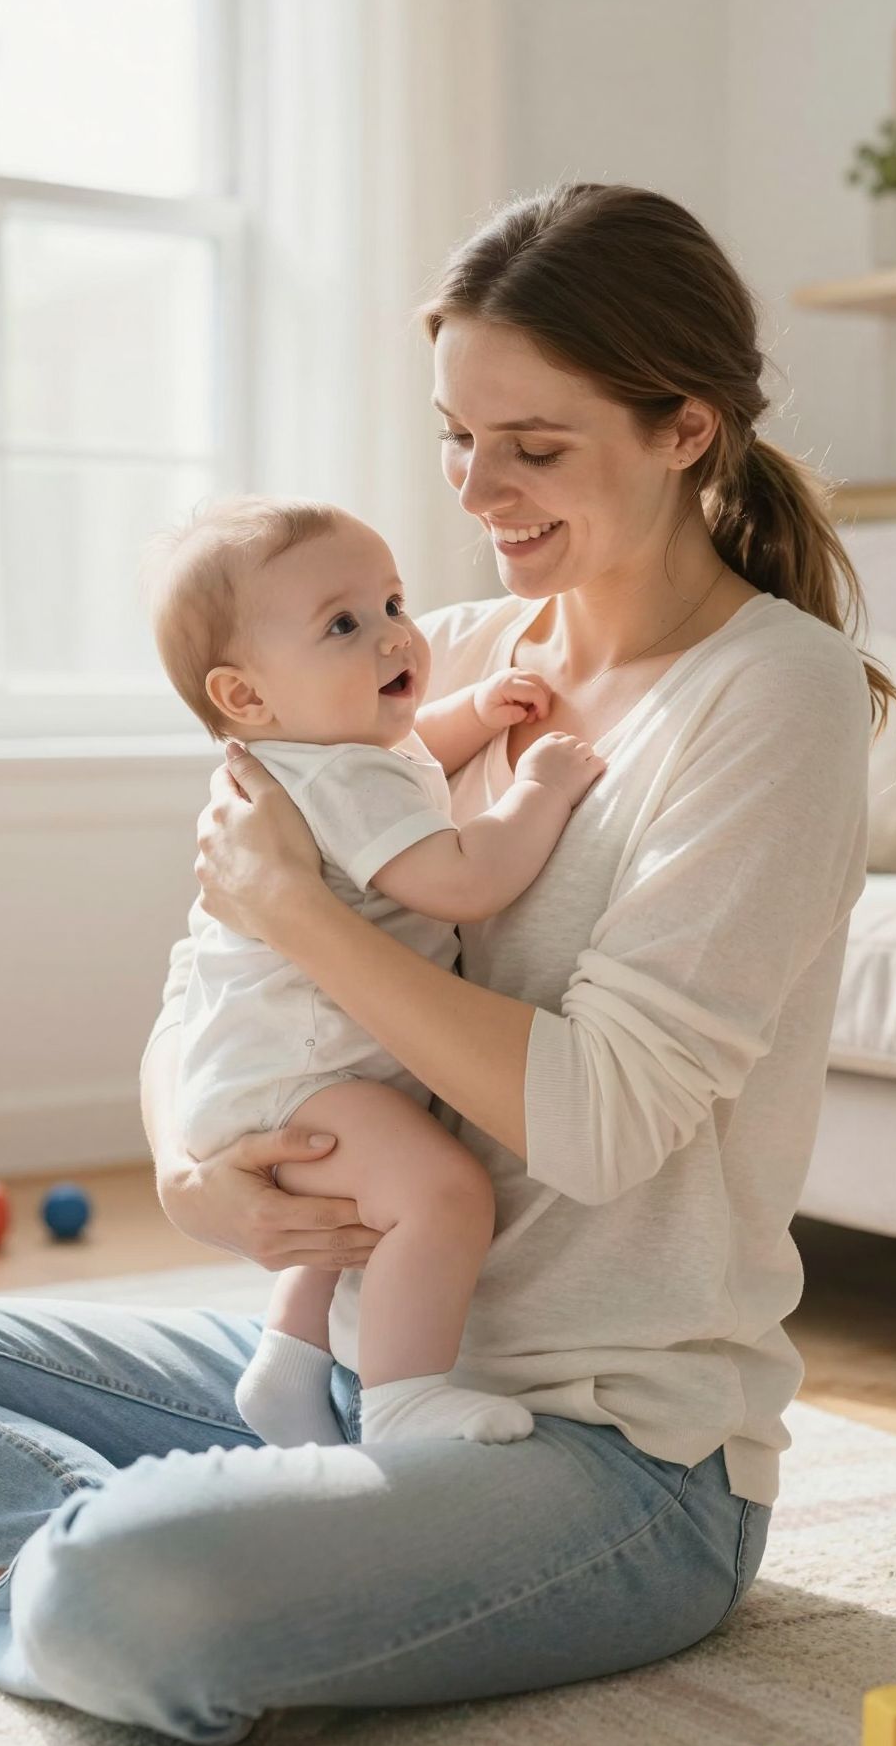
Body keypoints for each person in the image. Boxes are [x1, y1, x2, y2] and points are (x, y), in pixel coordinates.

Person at [0, 184, 896, 1746]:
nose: (479, 490)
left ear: (685, 428)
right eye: (459, 436)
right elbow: (210, 977)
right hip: (333, 1358)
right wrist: (197, 1179)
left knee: (131, 1594)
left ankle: (92, 1568)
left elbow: (601, 1122)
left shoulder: (774, 695)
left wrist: (305, 913)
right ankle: (175, 1558)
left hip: (604, 1449)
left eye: (534, 447)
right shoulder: (420, 652)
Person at [142, 492, 603, 1450]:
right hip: (308, 1076)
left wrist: (473, 712)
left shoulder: (323, 757)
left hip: (271, 1070)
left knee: (350, 1218)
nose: (395, 635)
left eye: (393, 604)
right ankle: (403, 1401)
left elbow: (411, 759)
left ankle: (289, 1365)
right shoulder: (341, 776)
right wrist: (539, 790)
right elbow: (463, 877)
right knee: (441, 1195)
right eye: (343, 625)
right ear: (245, 697)